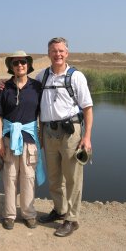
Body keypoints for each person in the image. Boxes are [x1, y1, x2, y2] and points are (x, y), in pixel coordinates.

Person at [36, 37, 93, 237]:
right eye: (54, 51)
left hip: (71, 134)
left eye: (61, 51)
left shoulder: (76, 77)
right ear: (48, 53)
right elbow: (26, 91)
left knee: (73, 178)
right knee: (54, 177)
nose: (57, 54)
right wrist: (5, 87)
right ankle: (59, 210)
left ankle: (72, 218)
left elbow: (87, 108)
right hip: (49, 133)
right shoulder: (41, 76)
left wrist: (87, 137)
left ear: (67, 53)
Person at [0, 51, 45, 230]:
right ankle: (9, 215)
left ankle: (29, 213)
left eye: (23, 62)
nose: (20, 66)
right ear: (11, 67)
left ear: (28, 65)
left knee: (28, 178)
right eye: (16, 63)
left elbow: (43, 115)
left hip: (29, 140)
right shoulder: (4, 88)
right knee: (10, 178)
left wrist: (43, 137)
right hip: (8, 140)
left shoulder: (37, 88)